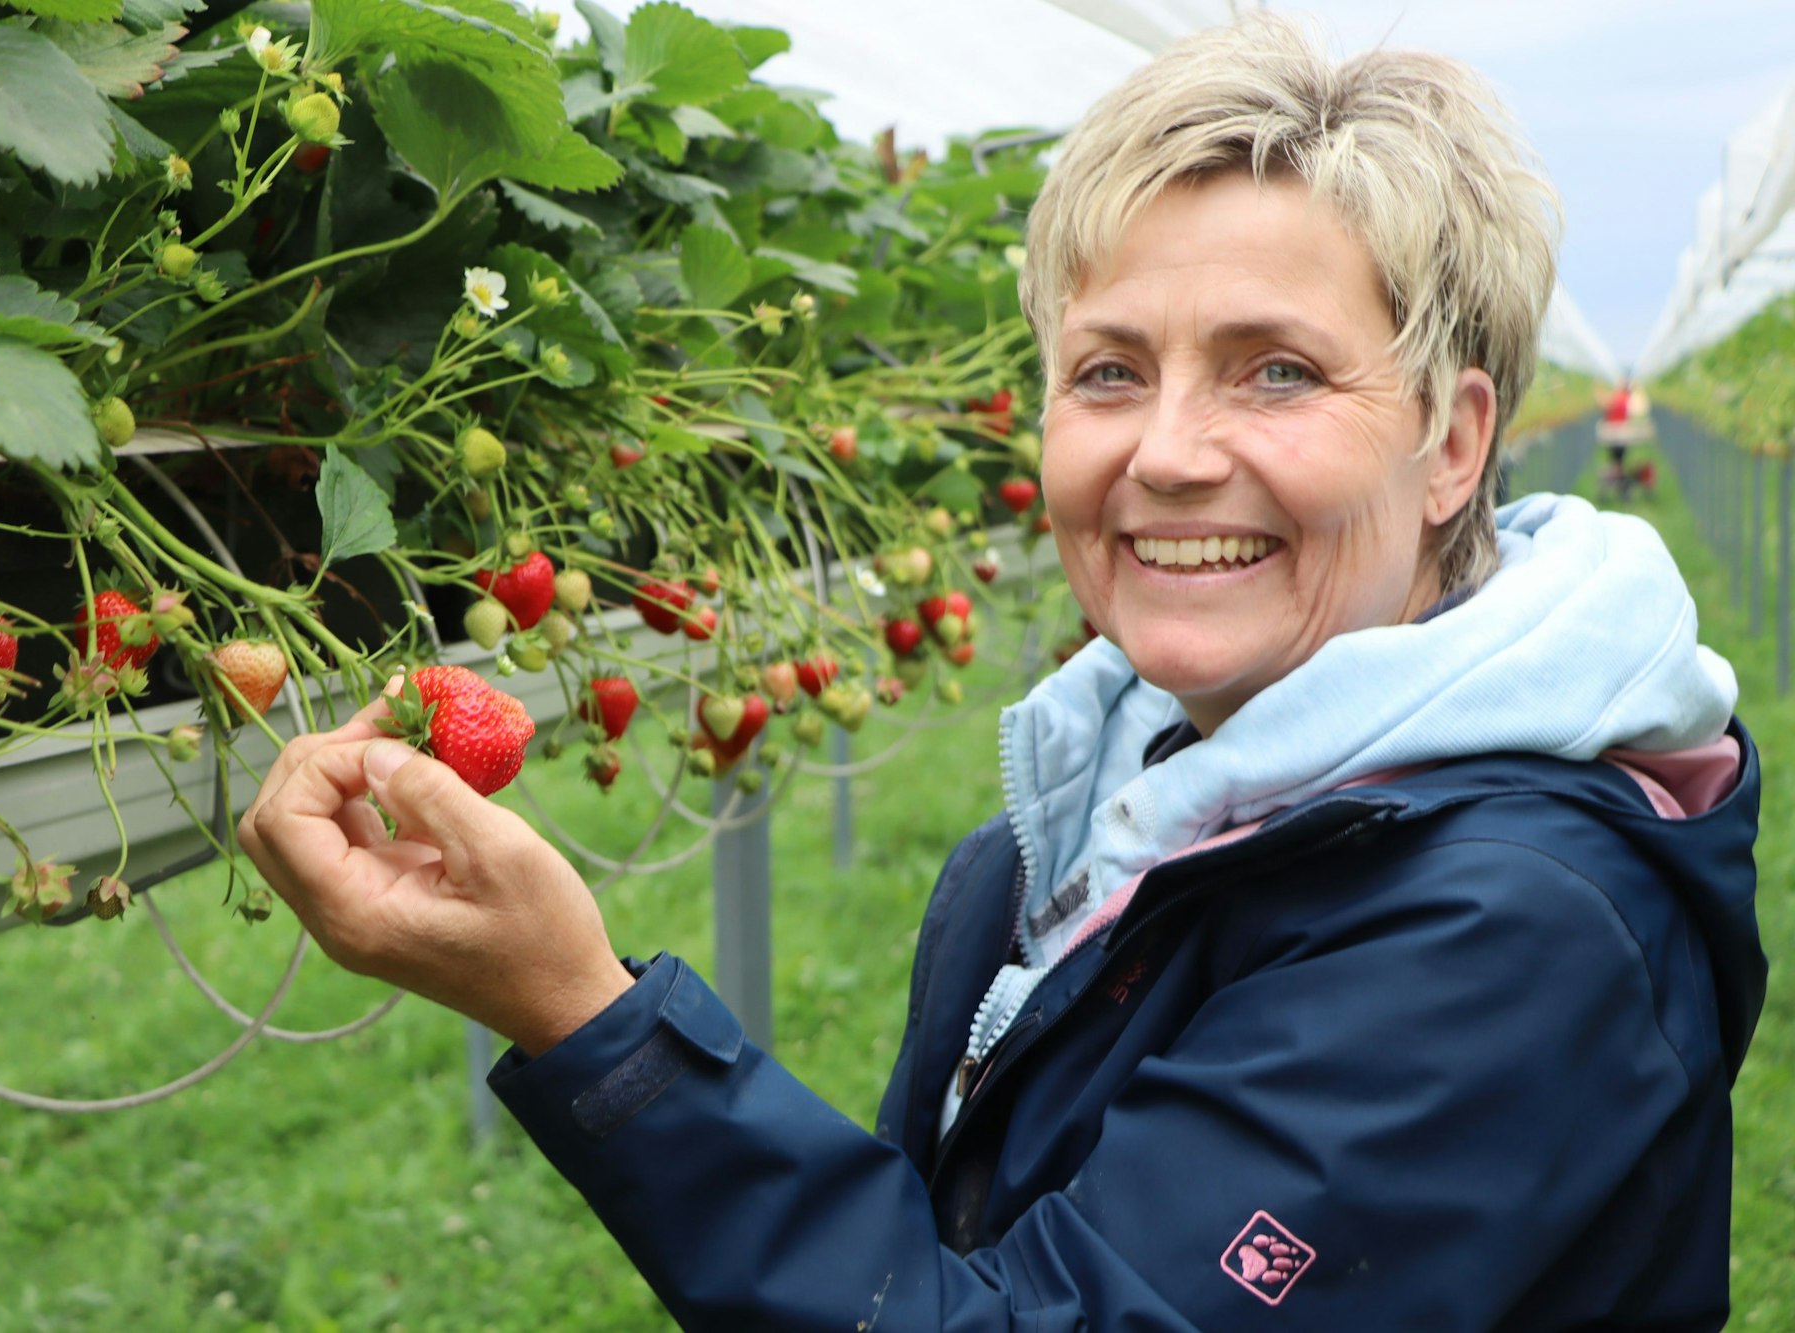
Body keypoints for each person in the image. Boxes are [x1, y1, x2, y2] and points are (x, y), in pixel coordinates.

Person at [237, 15, 1765, 1329]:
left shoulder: (1511, 937)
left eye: (1278, 370)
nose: (1167, 452)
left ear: (1454, 442)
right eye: (1109, 370)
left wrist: (584, 1020)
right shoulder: (1119, 790)